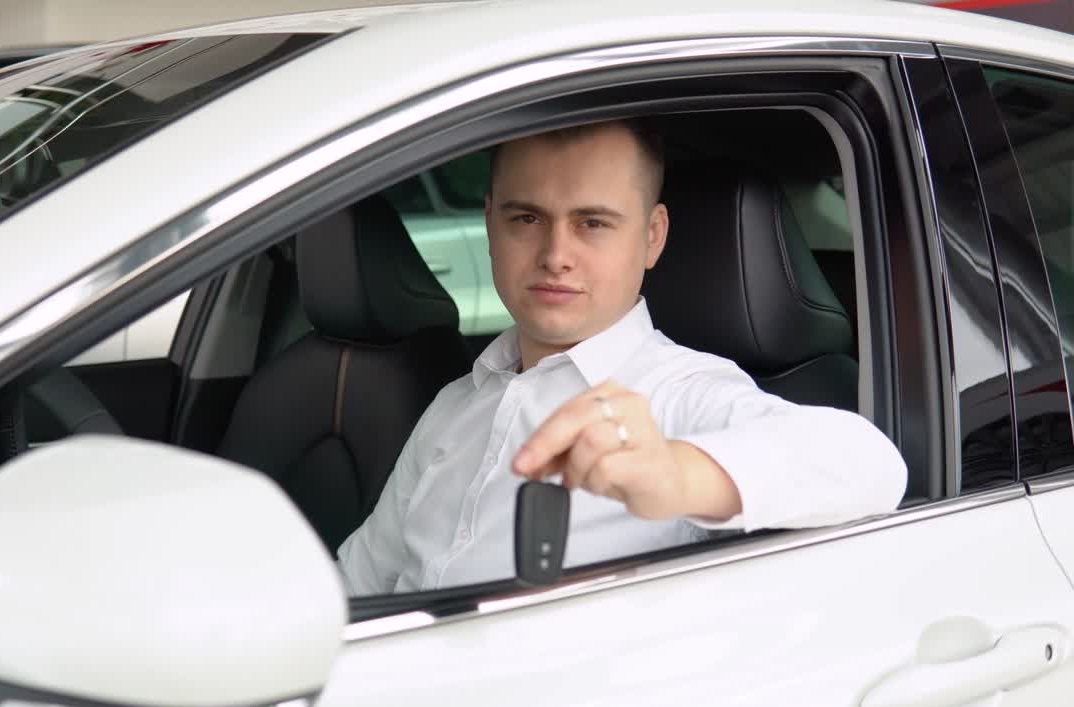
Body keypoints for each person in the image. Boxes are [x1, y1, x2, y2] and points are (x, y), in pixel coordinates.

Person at [336, 119, 906, 596]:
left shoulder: (679, 394)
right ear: (490, 223)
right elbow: (360, 578)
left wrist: (676, 471)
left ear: (653, 236)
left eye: (593, 223)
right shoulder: (457, 401)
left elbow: (871, 466)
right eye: (526, 218)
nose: (556, 255)